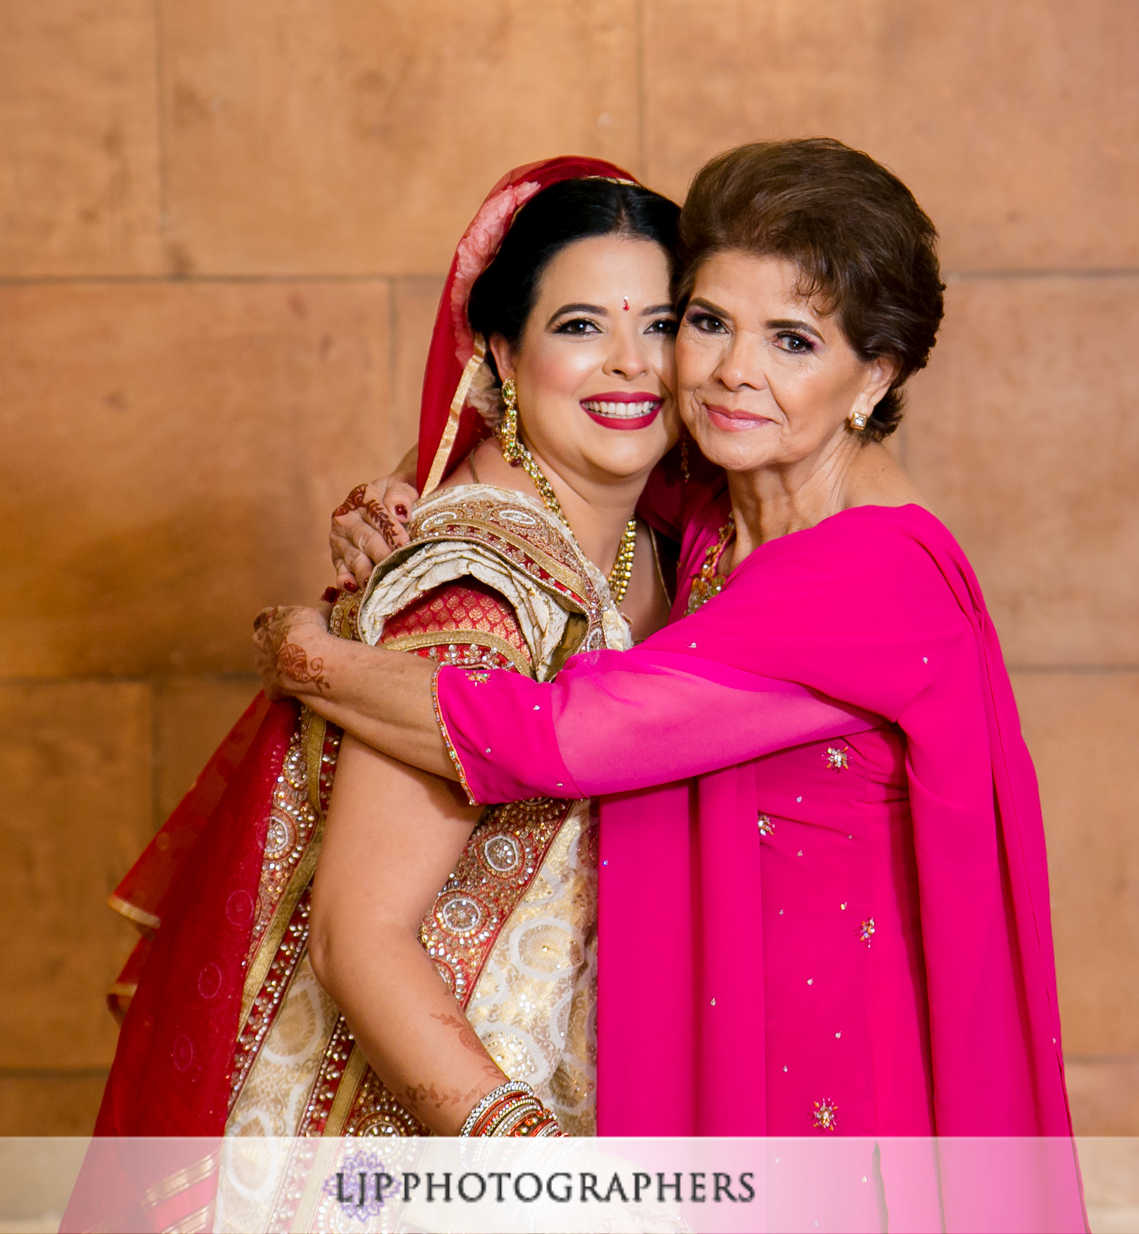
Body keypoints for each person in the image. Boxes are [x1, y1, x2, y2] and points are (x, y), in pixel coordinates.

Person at [265, 140, 1079, 1158]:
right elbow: (564, 434)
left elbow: (556, 737)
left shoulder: (875, 578)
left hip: (830, 1100)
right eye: (705, 322)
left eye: (793, 340)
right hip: (709, 1077)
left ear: (874, 375)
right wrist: (395, 490)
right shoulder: (717, 510)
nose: (734, 371)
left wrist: (306, 652)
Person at [78, 157, 682, 1182]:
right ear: (500, 348)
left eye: (663, 325)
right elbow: (358, 935)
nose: (631, 363)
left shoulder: (657, 542)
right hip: (425, 1153)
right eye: (581, 326)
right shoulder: (482, 585)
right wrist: (535, 1169)